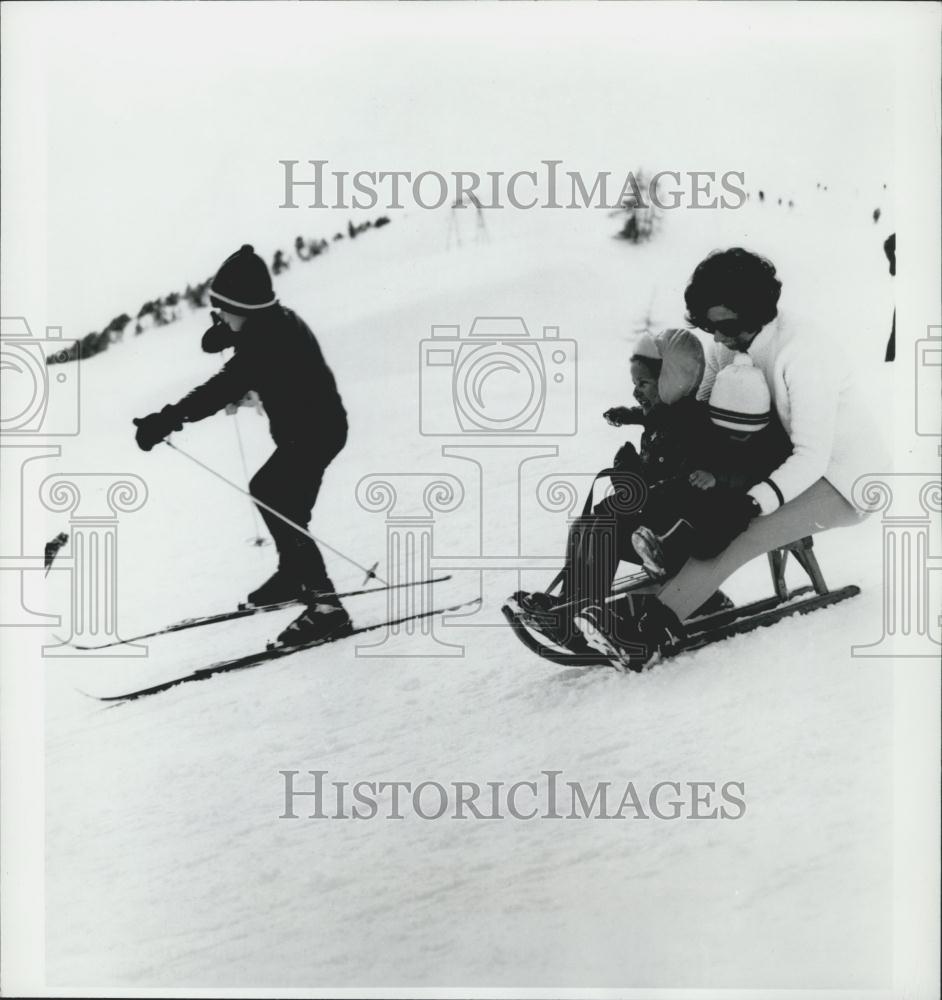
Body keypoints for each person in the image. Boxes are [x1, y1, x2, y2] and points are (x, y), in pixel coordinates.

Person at [575, 247, 884, 668]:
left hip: (842, 479)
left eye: (724, 326)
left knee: (738, 533)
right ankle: (648, 600)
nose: (716, 338)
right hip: (775, 460)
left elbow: (812, 456)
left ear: (756, 309)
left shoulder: (804, 353)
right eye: (708, 326)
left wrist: (751, 502)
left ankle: (645, 634)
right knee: (693, 507)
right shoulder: (730, 345)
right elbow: (703, 414)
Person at [132, 244, 352, 646]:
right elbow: (244, 345)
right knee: (281, 498)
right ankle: (293, 575)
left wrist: (166, 420)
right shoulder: (274, 322)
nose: (218, 319)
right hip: (316, 428)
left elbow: (220, 388)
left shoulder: (264, 340)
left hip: (315, 432)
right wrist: (225, 332)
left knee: (276, 495)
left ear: (243, 309)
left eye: (222, 312)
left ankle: (327, 608)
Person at [514, 328, 709, 643]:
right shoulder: (666, 416)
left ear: (673, 381)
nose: (636, 393)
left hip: (670, 539)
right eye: (635, 384)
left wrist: (635, 492)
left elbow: (681, 488)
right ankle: (569, 602)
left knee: (606, 527)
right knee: (584, 525)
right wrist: (628, 422)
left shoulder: (693, 425)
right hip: (651, 526)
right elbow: (652, 419)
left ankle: (582, 611)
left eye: (643, 384)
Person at [631, 352, 792, 579]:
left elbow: (756, 471)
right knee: (681, 493)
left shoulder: (769, 441)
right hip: (711, 489)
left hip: (742, 499)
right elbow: (707, 450)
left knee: (717, 520)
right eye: (726, 431)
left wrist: (718, 477)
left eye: (741, 434)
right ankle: (657, 538)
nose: (733, 437)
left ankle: (669, 549)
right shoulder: (716, 428)